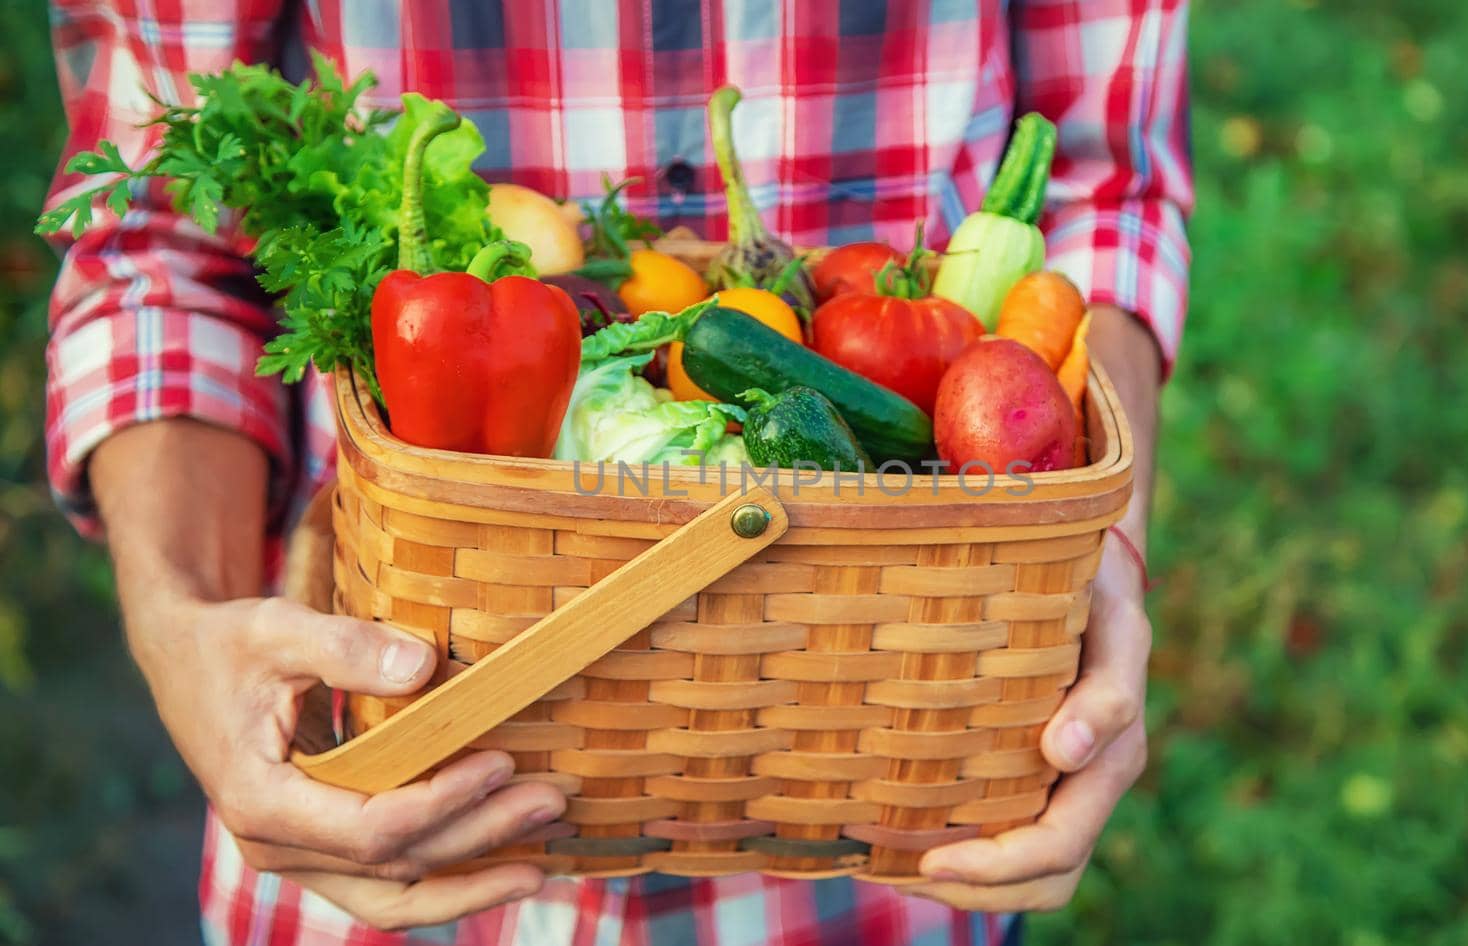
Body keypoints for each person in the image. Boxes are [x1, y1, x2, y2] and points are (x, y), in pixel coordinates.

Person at [39, 1, 1191, 943]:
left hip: (905, 822)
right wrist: (184, 622)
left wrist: (1098, 560)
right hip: (382, 822)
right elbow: (162, 238)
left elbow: (1107, 182)